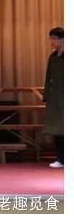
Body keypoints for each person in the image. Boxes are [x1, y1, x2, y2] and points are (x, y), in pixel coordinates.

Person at [43, 27, 64, 168]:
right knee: (57, 129)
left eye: (54, 38)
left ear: (62, 39)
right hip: (55, 99)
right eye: (51, 38)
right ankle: (61, 159)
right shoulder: (53, 57)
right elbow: (48, 77)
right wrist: (47, 96)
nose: (51, 41)